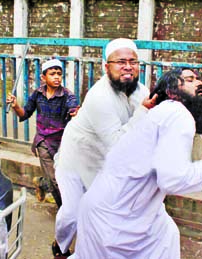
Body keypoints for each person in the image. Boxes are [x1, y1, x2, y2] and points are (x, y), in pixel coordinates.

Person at [72, 70, 202, 258]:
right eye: (189, 80)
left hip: (108, 209)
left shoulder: (161, 112)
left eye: (199, 79)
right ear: (172, 92)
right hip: (112, 218)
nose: (199, 83)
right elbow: (172, 179)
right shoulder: (177, 113)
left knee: (166, 233)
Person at [53, 38, 154, 257]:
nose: (128, 66)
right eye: (120, 61)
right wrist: (144, 112)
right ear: (106, 67)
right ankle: (60, 247)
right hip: (77, 157)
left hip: (105, 161)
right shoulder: (99, 96)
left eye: (133, 61)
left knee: (103, 212)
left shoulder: (141, 92)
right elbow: (119, 144)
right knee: (72, 212)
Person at [7, 59, 78, 206]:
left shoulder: (68, 96)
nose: (57, 77)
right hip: (44, 142)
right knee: (56, 181)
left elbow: (74, 108)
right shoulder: (37, 94)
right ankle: (64, 211)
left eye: (59, 74)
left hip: (63, 144)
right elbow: (24, 114)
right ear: (43, 77)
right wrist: (15, 106)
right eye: (52, 74)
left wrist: (76, 112)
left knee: (63, 178)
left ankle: (40, 182)